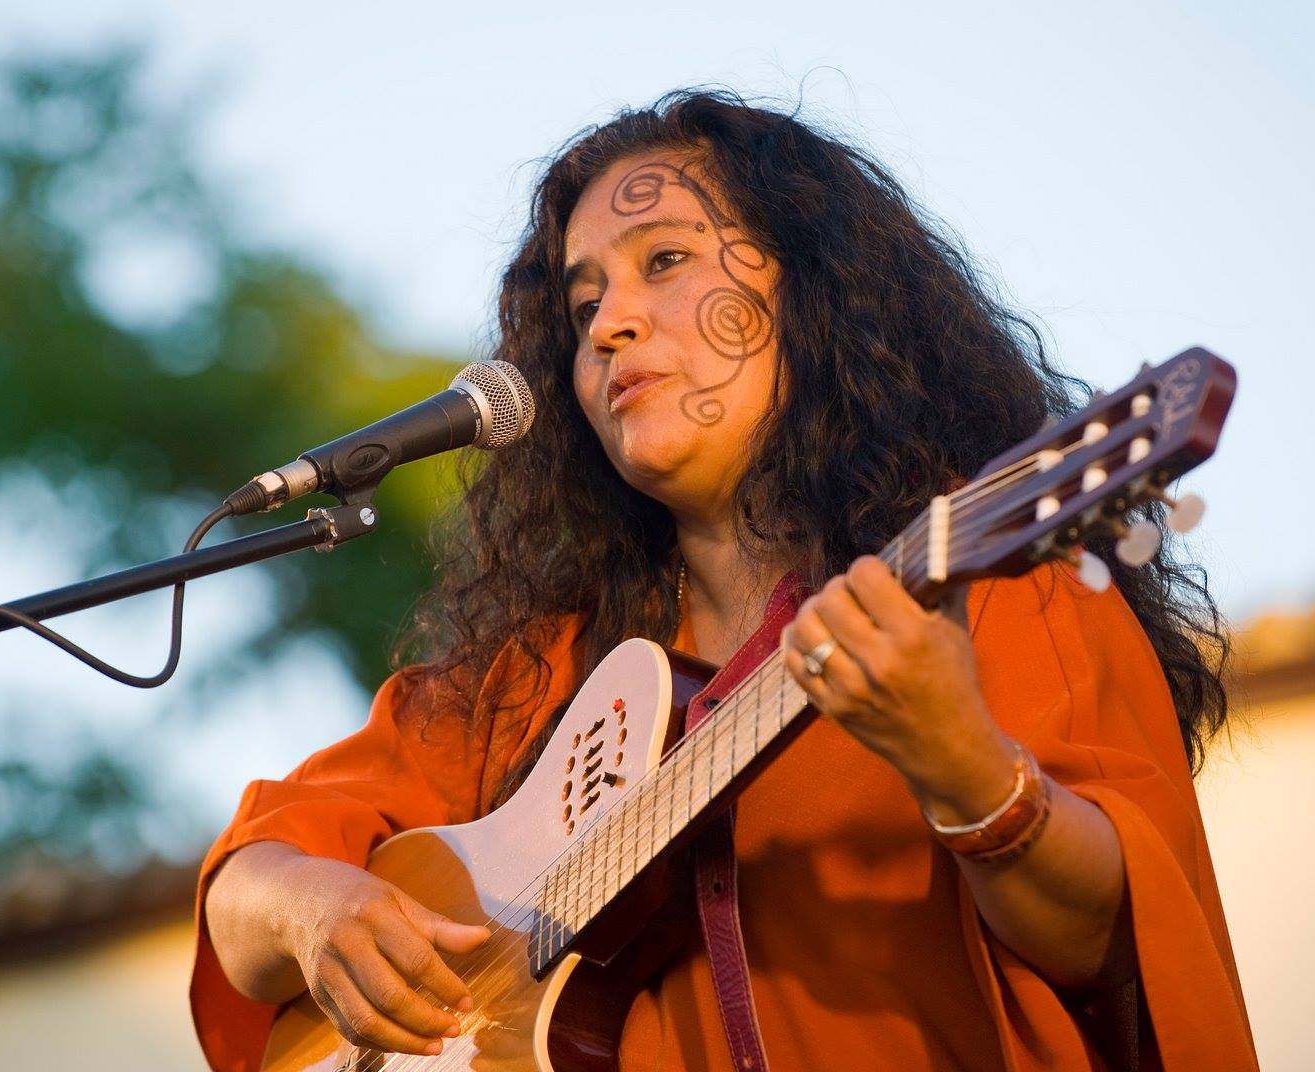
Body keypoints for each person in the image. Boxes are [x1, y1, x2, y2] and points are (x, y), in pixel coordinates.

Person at [192, 91, 1257, 1071]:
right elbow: (249, 880)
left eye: (662, 260)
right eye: (581, 306)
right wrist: (312, 913)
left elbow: (1120, 944)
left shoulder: (990, 572)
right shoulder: (534, 677)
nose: (609, 322)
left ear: (813, 289)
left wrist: (964, 769)